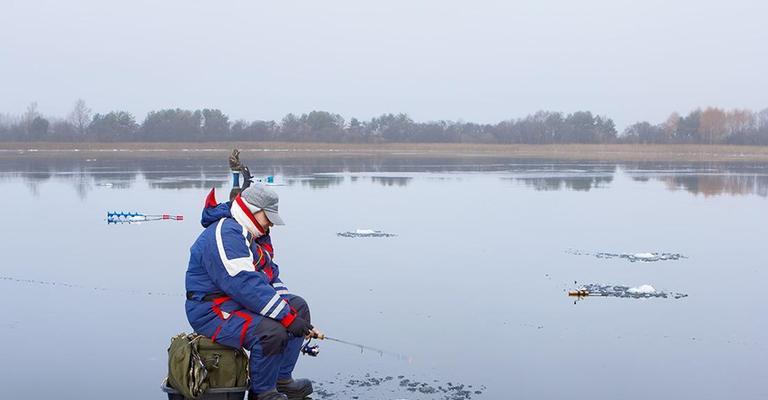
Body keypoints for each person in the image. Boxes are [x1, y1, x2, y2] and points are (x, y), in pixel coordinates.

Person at [185, 184, 321, 400]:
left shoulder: (250, 235)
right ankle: (262, 392)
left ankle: (281, 380)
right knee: (270, 333)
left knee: (299, 308)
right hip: (212, 310)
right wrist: (286, 318)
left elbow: (269, 278)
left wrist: (292, 315)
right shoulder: (226, 233)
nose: (270, 225)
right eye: (268, 218)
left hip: (236, 301)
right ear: (253, 210)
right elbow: (245, 285)